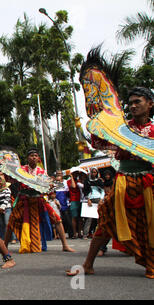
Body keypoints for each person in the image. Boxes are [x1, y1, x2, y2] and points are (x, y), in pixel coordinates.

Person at [68, 87, 154, 279]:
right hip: (123, 182)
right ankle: (87, 264)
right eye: (130, 102)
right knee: (106, 220)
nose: (132, 106)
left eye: (137, 102)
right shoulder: (122, 127)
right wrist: (96, 124)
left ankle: (151, 264)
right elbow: (99, 143)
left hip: (148, 183)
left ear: (150, 104)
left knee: (150, 223)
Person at [5, 148, 75, 253]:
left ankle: (65, 245)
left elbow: (47, 187)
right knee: (11, 220)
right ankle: (4, 246)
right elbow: (10, 179)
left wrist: (50, 187)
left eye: (35, 156)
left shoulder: (42, 172)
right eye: (31, 155)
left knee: (57, 219)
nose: (33, 157)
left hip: (38, 198)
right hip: (24, 198)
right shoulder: (21, 169)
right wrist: (7, 170)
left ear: (38, 159)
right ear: (27, 158)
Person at [82, 167, 105, 240]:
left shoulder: (99, 181)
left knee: (99, 217)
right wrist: (88, 199)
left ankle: (99, 233)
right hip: (90, 200)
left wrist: (101, 199)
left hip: (98, 199)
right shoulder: (87, 181)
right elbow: (85, 191)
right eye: (92, 172)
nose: (93, 173)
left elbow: (102, 191)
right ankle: (85, 234)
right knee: (89, 218)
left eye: (95, 172)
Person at [0, 173, 16, 243]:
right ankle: (3, 239)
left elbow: (7, 199)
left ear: (3, 182)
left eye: (0, 181)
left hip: (7, 208)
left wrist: (3, 207)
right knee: (2, 225)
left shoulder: (7, 190)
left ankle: (13, 238)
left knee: (7, 223)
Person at [55, 171, 73, 238]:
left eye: (60, 174)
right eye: (57, 174)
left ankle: (71, 234)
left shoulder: (66, 182)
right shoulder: (54, 183)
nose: (59, 175)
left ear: (62, 175)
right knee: (58, 220)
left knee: (68, 219)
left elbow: (69, 191)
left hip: (65, 203)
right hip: (57, 204)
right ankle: (58, 234)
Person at [67, 170, 85, 239]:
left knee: (80, 218)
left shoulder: (79, 181)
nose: (75, 175)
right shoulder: (69, 182)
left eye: (76, 174)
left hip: (80, 200)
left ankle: (80, 233)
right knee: (74, 217)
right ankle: (75, 233)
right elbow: (73, 186)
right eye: (74, 174)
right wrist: (71, 177)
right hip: (73, 200)